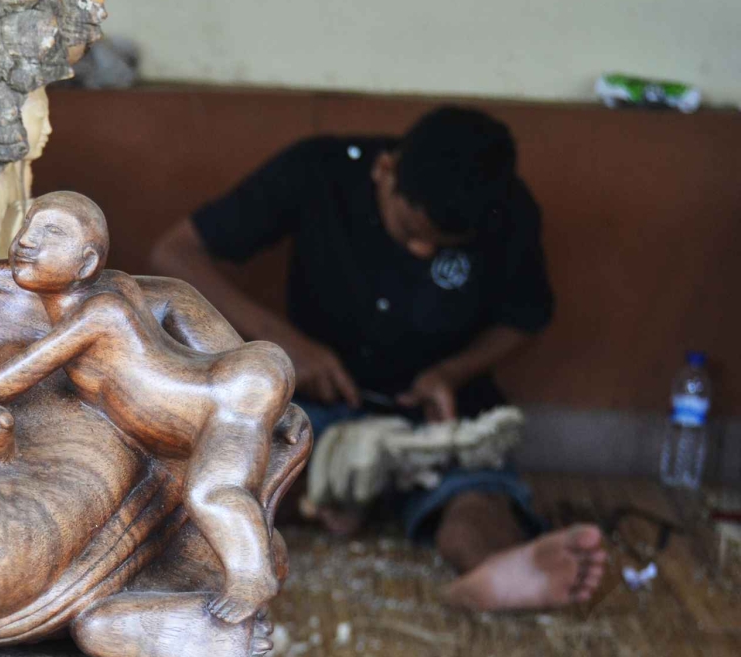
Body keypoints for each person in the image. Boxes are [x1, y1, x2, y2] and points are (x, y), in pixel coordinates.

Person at [149, 106, 607, 612]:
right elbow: (176, 253)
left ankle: (495, 570)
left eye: (440, 246)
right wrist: (285, 348)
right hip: (320, 404)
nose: (420, 251)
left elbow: (526, 317)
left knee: (474, 508)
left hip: (435, 417)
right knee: (242, 479)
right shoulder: (318, 170)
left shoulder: (505, 207)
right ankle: (333, 497)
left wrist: (450, 373)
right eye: (412, 230)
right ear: (384, 171)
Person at [0, 191, 300, 626]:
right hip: (230, 380)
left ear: (85, 265)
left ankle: (252, 577)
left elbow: (33, 364)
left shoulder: (101, 310)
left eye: (51, 233)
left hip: (222, 400)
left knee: (210, 493)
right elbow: (38, 279)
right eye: (28, 225)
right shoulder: (110, 285)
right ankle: (277, 410)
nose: (27, 240)